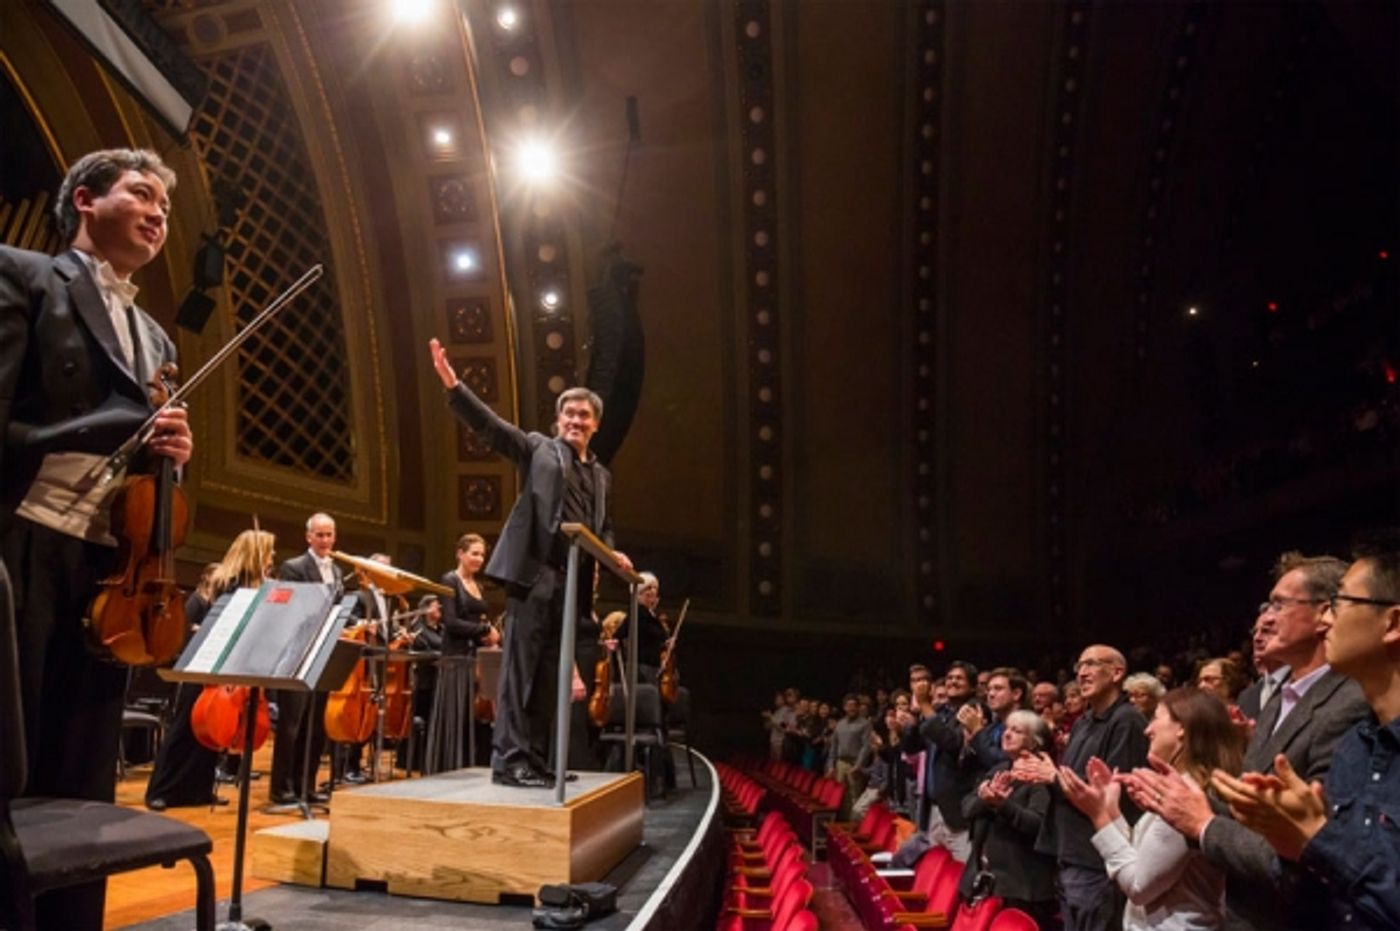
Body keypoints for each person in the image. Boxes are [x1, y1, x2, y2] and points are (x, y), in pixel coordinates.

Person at [0, 147, 193, 928]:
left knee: (84, 779)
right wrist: (95, 423)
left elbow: (150, 473)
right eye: (142, 195)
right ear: (84, 199)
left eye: (167, 209)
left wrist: (171, 453)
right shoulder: (21, 276)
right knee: (11, 771)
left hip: (109, 573)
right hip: (19, 554)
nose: (158, 214)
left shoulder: (157, 338)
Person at [429, 338, 631, 787]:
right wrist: (454, 386)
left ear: (595, 424)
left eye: (584, 415)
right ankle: (509, 761)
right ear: (558, 420)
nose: (576, 420)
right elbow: (493, 428)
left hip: (572, 583)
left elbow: (605, 525)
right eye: (569, 414)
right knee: (520, 673)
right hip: (534, 576)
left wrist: (611, 550)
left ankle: (535, 760)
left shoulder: (601, 476)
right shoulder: (540, 448)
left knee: (548, 677)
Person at [1129, 552, 1368, 931]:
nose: (1265, 619)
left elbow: (1313, 851)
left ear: (1325, 614)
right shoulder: (1274, 702)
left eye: (1279, 604)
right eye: (1265, 605)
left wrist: (1203, 823)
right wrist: (1185, 804)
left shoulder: (1349, 703)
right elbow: (1252, 820)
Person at [1209, 533, 1400, 930]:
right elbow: (1317, 888)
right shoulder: (1355, 747)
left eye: (1341, 603)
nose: (1328, 619)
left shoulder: (1344, 717)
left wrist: (1315, 839)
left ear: (1393, 622)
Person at [1061, 687, 1244, 930]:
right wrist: (1112, 809)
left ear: (1182, 729)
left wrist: (1099, 816)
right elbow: (1140, 858)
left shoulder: (1186, 798)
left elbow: (1138, 886)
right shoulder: (1187, 787)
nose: (1147, 729)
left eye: (1156, 718)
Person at [1013, 644, 1149, 931]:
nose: (1082, 673)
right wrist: (1044, 776)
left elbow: (1112, 794)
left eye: (1092, 664)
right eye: (1080, 666)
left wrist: (1053, 778)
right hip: (1069, 853)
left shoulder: (1127, 721)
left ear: (1117, 673)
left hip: (1096, 860)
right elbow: (1067, 782)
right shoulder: (1084, 722)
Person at [146, 530, 275, 810]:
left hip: (231, 667)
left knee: (212, 733)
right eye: (268, 551)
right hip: (206, 663)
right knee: (185, 726)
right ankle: (161, 790)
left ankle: (198, 790)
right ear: (254, 553)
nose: (272, 557)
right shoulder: (228, 582)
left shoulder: (256, 584)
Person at [268, 512, 343, 805]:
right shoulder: (294, 567)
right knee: (291, 724)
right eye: (320, 535)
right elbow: (293, 608)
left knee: (315, 725)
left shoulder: (336, 572)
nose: (325, 540)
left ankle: (305, 785)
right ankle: (281, 787)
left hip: (323, 653)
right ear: (308, 537)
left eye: (329, 535)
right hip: (298, 653)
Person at [960, 709, 1057, 929]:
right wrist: (986, 800)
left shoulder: (1040, 777)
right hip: (987, 878)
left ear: (1034, 742)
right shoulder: (1000, 769)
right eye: (1006, 728)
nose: (1007, 734)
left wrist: (1002, 805)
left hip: (1022, 885)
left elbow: (1038, 825)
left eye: (1017, 730)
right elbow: (966, 808)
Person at [425, 533, 501, 772]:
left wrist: (489, 633)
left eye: (482, 555)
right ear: (460, 553)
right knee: (455, 717)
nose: (479, 559)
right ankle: (449, 768)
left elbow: (477, 618)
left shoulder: (477, 585)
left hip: (475, 658)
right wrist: (485, 629)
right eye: (474, 553)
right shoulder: (449, 580)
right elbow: (450, 621)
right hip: (455, 658)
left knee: (472, 716)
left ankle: (471, 766)